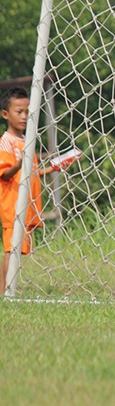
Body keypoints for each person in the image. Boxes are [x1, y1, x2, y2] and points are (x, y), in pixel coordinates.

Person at [0, 88, 44, 295]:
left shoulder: (27, 141)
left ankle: (9, 291)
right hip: (12, 207)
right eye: (19, 111)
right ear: (5, 114)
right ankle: (5, 293)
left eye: (27, 111)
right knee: (11, 251)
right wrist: (19, 163)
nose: (24, 116)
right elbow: (6, 174)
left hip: (27, 206)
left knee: (17, 252)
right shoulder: (5, 142)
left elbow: (30, 174)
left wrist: (52, 167)